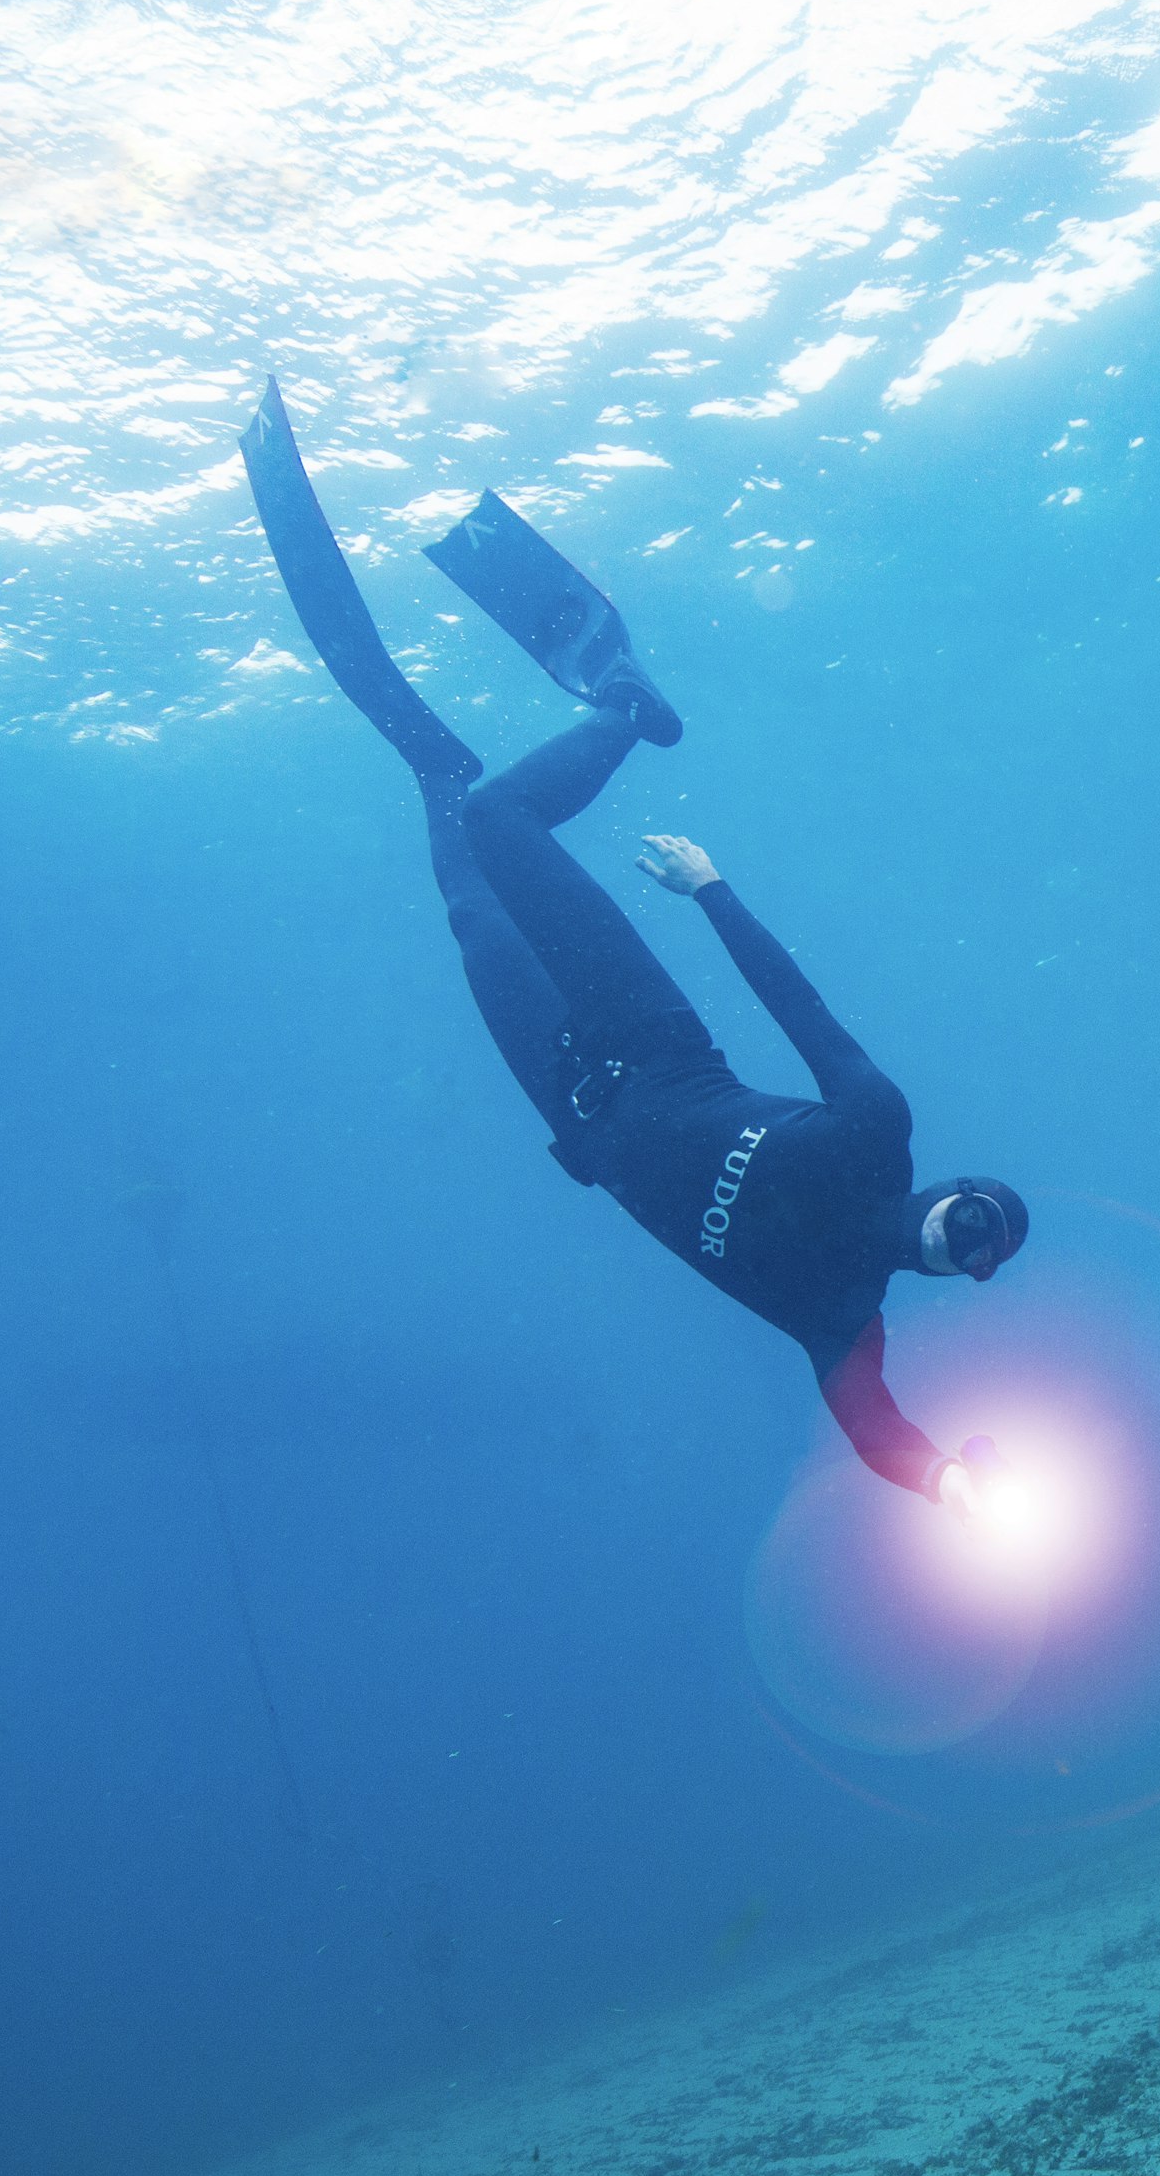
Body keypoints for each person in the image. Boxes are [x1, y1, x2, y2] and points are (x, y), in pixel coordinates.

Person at [239, 379, 1024, 1510]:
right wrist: (713, 892)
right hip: (654, 1034)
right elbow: (801, 1010)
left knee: (461, 860)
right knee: (497, 818)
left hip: (572, 1100)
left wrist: (953, 1482)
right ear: (961, 1186)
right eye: (985, 1216)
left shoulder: (838, 1318)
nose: (976, 1241)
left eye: (989, 1255)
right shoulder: (875, 1131)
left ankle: (417, 724)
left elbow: (881, 1438)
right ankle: (623, 705)